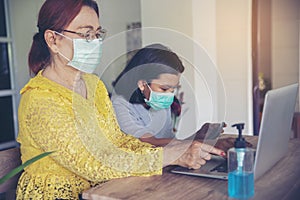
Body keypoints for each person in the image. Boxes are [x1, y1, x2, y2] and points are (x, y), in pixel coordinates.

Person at [16, 0, 225, 199]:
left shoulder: (93, 85)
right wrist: (169, 156)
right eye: (86, 35)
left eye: (98, 34)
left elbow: (117, 141)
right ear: (53, 39)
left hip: (106, 191)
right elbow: (93, 164)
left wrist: (175, 150)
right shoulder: (40, 99)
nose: (96, 42)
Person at [111, 44, 234, 149]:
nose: (169, 95)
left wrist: (199, 136)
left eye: (173, 89)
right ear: (142, 84)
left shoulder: (159, 101)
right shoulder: (119, 103)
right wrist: (202, 143)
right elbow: (146, 143)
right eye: (164, 88)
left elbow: (169, 143)